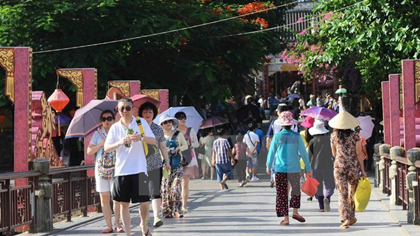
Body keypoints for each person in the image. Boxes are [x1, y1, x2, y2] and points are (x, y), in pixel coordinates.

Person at [104, 98, 156, 236]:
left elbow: (153, 141)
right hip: (122, 170)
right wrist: (120, 142)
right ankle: (128, 233)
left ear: (133, 109)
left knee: (144, 202)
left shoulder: (140, 122)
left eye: (128, 108)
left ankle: (144, 226)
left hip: (139, 168)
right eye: (122, 108)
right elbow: (107, 148)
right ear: (118, 111)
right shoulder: (115, 127)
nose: (125, 111)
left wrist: (141, 138)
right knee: (123, 204)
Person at [266, 111, 312, 226]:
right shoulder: (296, 136)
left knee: (282, 193)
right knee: (295, 191)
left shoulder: (277, 136)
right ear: (291, 124)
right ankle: (295, 212)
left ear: (281, 125)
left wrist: (268, 166)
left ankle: (286, 218)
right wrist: (308, 167)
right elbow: (304, 153)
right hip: (294, 168)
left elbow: (271, 153)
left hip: (280, 168)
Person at [328, 111, 367, 229]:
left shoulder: (333, 136)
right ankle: (351, 216)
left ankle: (344, 217)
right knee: (351, 193)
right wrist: (363, 170)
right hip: (353, 167)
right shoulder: (355, 135)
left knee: (342, 192)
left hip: (339, 166)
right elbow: (359, 153)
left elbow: (334, 153)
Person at [87, 110, 122, 234]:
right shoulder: (97, 134)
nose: (106, 121)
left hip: (116, 168)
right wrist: (101, 144)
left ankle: (118, 224)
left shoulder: (118, 132)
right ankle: (109, 225)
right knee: (104, 197)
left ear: (114, 119)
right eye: (104, 119)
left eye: (109, 118)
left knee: (117, 198)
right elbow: (89, 151)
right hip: (101, 169)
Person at [139, 102, 171, 228]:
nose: (148, 114)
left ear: (154, 114)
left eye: (150, 112)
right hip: (140, 165)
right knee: (143, 194)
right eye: (145, 112)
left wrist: (167, 161)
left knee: (155, 192)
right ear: (141, 113)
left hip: (155, 163)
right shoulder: (137, 127)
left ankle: (157, 217)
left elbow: (162, 146)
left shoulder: (158, 128)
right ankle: (145, 219)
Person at [160, 114, 188, 218]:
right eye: (165, 122)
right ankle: (167, 211)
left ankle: (177, 210)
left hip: (177, 164)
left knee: (176, 188)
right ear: (162, 125)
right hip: (165, 166)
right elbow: (158, 150)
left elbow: (185, 145)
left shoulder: (178, 134)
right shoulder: (160, 136)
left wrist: (177, 149)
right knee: (166, 188)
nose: (168, 124)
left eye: (169, 122)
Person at [175, 111, 200, 213]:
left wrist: (190, 144)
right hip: (176, 158)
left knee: (185, 183)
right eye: (180, 118)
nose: (183, 119)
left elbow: (197, 144)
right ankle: (175, 205)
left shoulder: (190, 130)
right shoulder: (173, 131)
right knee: (175, 183)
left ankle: (184, 205)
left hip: (189, 158)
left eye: (184, 118)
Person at [308, 119, 335, 212]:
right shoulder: (329, 140)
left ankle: (321, 207)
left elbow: (309, 156)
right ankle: (327, 197)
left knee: (318, 186)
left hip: (315, 166)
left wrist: (306, 170)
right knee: (329, 185)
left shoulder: (312, 141)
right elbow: (334, 153)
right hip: (328, 165)